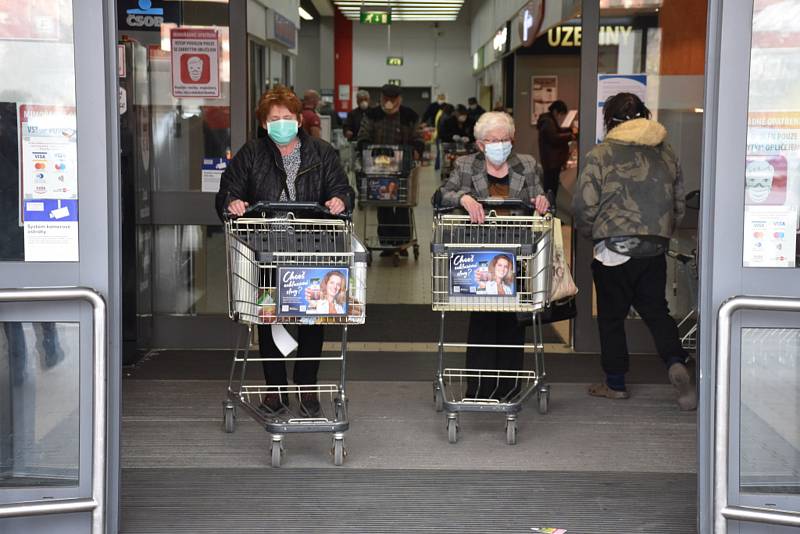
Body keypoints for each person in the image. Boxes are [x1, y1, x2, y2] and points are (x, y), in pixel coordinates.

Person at [215, 85, 354, 417]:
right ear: (264, 123)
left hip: (311, 248)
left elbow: (342, 189)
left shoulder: (322, 153)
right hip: (265, 249)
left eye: (287, 117)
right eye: (274, 118)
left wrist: (340, 200)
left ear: (298, 120)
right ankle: (275, 389)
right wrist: (232, 202)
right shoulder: (251, 154)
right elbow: (227, 193)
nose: (282, 123)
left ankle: (306, 386)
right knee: (268, 316)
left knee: (311, 317)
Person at [573, 92, 696, 411]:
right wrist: (663, 233)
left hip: (613, 249)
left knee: (612, 318)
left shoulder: (600, 154)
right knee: (656, 310)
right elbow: (678, 201)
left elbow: (585, 204)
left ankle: (615, 383)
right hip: (654, 246)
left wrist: (591, 234)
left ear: (609, 120)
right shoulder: (666, 152)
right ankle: (675, 361)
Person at [439, 111, 550, 399]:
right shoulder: (465, 165)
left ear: (512, 140)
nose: (500, 144)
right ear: (480, 144)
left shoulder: (526, 165)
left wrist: (541, 201)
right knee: (483, 322)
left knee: (514, 322)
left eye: (505, 139)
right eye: (492, 140)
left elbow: (542, 201)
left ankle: (509, 388)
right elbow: (441, 195)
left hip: (517, 254)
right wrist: (463, 198)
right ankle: (478, 387)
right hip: (479, 254)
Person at [357, 83, 424, 256]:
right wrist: (369, 151)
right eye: (385, 99)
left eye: (392, 100)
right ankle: (386, 243)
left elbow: (418, 138)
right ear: (380, 99)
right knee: (383, 204)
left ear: (399, 100)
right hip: (378, 168)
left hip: (404, 169)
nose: (389, 103)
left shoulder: (410, 116)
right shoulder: (372, 115)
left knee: (403, 205)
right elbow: (363, 137)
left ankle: (402, 243)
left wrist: (415, 150)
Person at [537, 100, 577, 201]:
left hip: (551, 160)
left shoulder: (548, 119)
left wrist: (569, 130)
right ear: (555, 111)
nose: (560, 116)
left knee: (551, 186)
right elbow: (554, 137)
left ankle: (550, 205)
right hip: (551, 161)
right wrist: (571, 135)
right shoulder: (547, 121)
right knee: (551, 187)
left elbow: (557, 131)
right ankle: (549, 207)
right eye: (560, 114)